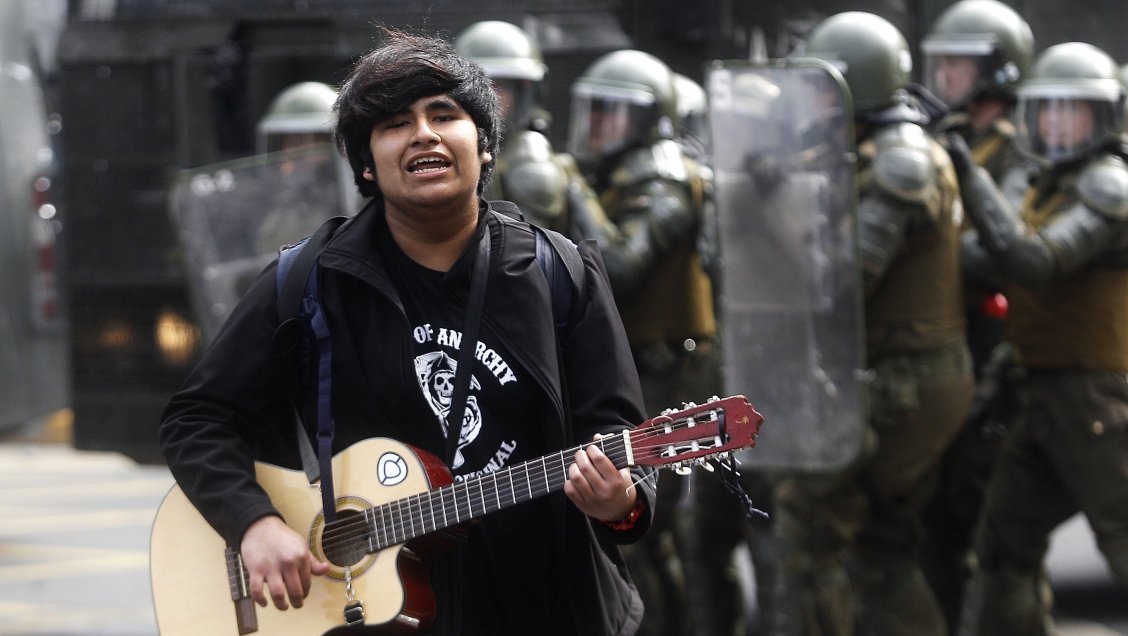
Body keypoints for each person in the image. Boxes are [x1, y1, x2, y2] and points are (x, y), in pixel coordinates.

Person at [159, 27, 657, 635]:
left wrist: (621, 501)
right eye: (395, 123)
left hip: (546, 605)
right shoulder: (307, 281)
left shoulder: (560, 272)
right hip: (363, 611)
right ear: (366, 165)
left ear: (485, 145)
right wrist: (253, 523)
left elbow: (620, 435)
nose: (423, 133)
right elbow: (196, 419)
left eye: (443, 115)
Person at [774, 12, 974, 635]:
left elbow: (843, 283)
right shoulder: (865, 151)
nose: (809, 104)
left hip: (904, 385)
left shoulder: (899, 164)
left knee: (808, 524)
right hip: (894, 379)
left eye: (821, 89)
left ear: (853, 87)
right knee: (882, 553)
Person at [948, 41, 1128, 636]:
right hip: (1043, 388)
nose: (1054, 123)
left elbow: (1034, 262)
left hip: (1095, 395)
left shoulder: (1109, 184)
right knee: (1002, 546)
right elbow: (989, 257)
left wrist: (968, 174)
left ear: (1102, 117)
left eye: (1070, 109)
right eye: (1045, 109)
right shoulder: (1049, 182)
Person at [567, 49, 720, 636]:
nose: (597, 125)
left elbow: (619, 268)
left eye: (614, 112)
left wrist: (572, 189)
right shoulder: (620, 177)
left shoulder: (668, 182)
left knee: (657, 529)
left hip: (673, 372)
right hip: (639, 373)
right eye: (594, 110)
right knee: (649, 537)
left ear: (649, 118)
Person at [917, 1, 1036, 628]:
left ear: (999, 71)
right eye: (941, 64)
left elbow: (1002, 250)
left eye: (958, 65)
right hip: (943, 341)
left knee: (984, 514)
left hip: (994, 346)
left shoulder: (1021, 149)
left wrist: (926, 253)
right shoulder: (945, 138)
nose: (945, 77)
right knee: (934, 516)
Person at [455, 20, 619, 244]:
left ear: (521, 92)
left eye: (497, 86)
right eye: (476, 87)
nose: (486, 97)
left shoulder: (529, 161)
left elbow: (522, 255)